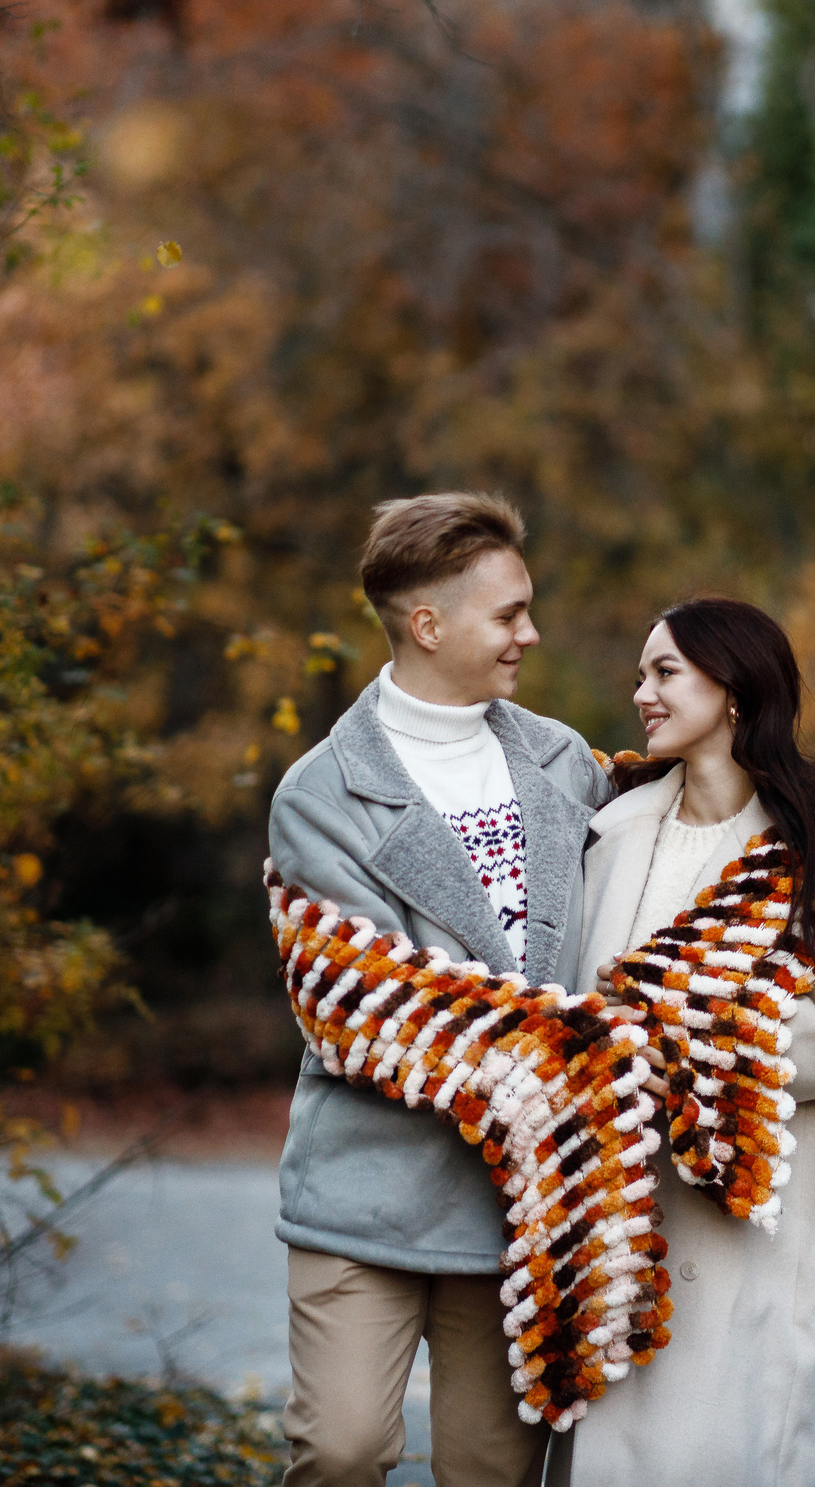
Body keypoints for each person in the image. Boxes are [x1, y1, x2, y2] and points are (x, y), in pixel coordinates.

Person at [268, 492, 615, 1487]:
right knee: (340, 1452)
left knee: (490, 1473)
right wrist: (581, 1058)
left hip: (518, 1211)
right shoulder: (321, 793)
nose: (529, 634)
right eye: (508, 614)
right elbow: (370, 1010)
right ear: (429, 625)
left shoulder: (561, 762)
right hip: (363, 1195)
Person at [552, 595, 815, 1487]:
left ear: (735, 690)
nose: (642, 693)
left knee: (720, 1453)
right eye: (640, 673)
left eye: (665, 671)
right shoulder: (611, 830)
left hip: (754, 1216)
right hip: (621, 1211)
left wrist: (670, 1041)